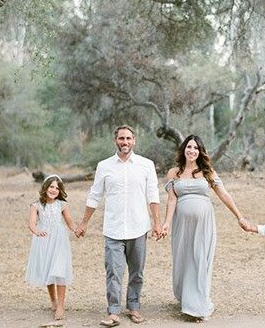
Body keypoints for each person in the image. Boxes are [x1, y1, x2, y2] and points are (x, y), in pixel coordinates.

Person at [75, 125, 162, 327]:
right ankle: (113, 311)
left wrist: (157, 222)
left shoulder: (145, 164)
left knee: (137, 272)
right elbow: (95, 195)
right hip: (113, 229)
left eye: (128, 138)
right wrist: (84, 223)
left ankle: (134, 306)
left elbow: (153, 195)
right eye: (121, 138)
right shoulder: (104, 166)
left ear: (134, 141)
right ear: (115, 140)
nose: (125, 142)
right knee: (113, 271)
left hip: (138, 227)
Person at [161, 134, 246, 322]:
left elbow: (224, 194)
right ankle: (185, 296)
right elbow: (172, 199)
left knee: (200, 259)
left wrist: (239, 216)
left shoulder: (207, 172)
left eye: (196, 148)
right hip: (181, 225)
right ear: (184, 149)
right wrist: (166, 223)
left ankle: (196, 306)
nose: (192, 151)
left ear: (200, 152)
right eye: (189, 147)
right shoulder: (173, 173)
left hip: (203, 224)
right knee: (183, 259)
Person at [25, 174, 77, 322]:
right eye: (51, 186)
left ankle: (61, 305)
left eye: (57, 188)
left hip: (60, 240)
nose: (54, 190)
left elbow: (70, 222)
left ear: (60, 191)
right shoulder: (36, 205)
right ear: (46, 187)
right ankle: (53, 299)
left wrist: (77, 230)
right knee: (48, 270)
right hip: (44, 240)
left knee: (59, 270)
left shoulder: (62, 204)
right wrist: (36, 231)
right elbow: (32, 224)